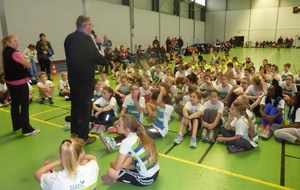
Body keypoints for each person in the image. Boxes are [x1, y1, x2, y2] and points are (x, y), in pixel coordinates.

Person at [64, 15, 105, 144]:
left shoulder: (69, 38)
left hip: (74, 80)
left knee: (75, 106)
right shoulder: (87, 39)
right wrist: (99, 44)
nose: (92, 27)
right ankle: (83, 137)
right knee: (86, 109)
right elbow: (101, 59)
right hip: (86, 81)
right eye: (91, 25)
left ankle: (74, 133)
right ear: (86, 25)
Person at [101, 114, 159, 186]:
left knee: (110, 171)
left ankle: (114, 178)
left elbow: (117, 167)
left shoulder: (126, 142)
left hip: (147, 178)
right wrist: (124, 166)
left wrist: (121, 167)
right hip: (155, 172)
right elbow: (128, 156)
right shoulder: (139, 134)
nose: (116, 125)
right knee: (117, 162)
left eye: (119, 124)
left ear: (127, 129)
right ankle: (119, 175)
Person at [1, 35, 40, 136]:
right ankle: (26, 129)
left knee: (15, 104)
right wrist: (23, 63)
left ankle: (17, 126)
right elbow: (28, 64)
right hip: (19, 83)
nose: (17, 42)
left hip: (10, 82)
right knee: (24, 105)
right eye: (14, 41)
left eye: (17, 40)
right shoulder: (15, 53)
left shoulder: (5, 52)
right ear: (8, 43)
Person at [35, 138, 99, 190]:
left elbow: (37, 174)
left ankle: (50, 172)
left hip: (58, 181)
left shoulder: (56, 179)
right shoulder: (92, 167)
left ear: (60, 156)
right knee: (85, 161)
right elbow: (93, 158)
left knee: (48, 175)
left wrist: (58, 162)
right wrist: (78, 157)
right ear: (81, 154)